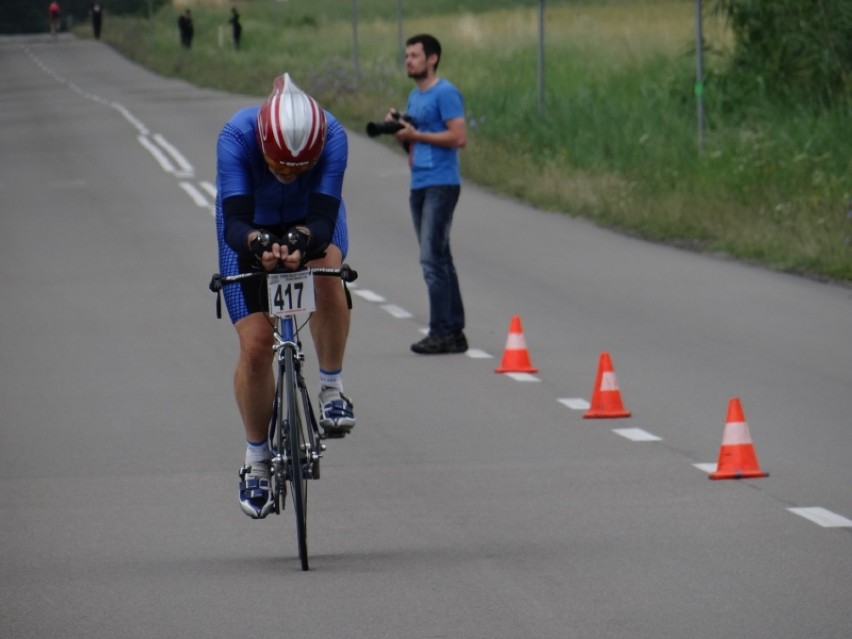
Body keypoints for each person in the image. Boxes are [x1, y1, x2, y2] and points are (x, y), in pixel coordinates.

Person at [215, 73, 355, 519]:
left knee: (327, 267)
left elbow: (325, 214)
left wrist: (301, 239)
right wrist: (258, 243)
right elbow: (234, 221)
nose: (288, 174)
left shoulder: (333, 135)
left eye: (300, 169)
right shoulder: (236, 136)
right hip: (250, 223)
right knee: (256, 346)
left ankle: (332, 387)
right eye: (279, 167)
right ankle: (256, 458)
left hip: (309, 219)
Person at [388, 34, 468, 355]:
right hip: (419, 182)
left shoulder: (445, 93)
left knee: (431, 258)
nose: (409, 60)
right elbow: (412, 142)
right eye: (406, 55)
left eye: (415, 55)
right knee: (440, 257)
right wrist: (399, 132)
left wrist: (417, 133)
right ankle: (454, 331)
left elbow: (459, 137)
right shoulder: (413, 96)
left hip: (441, 182)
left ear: (432, 58)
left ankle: (439, 332)